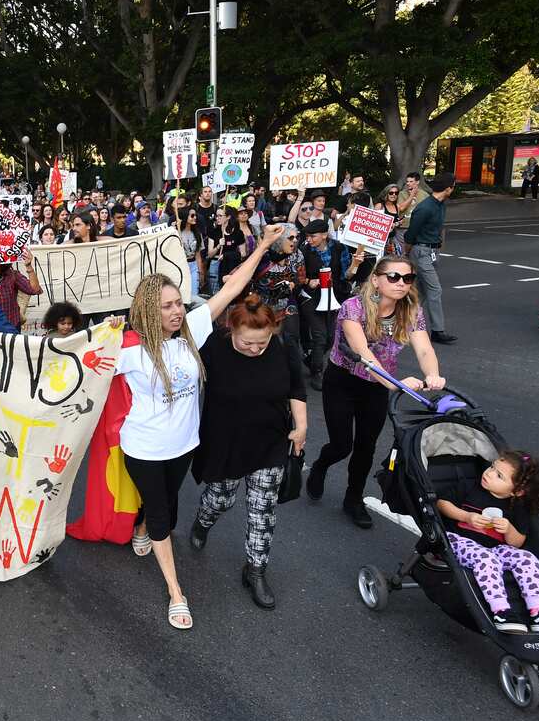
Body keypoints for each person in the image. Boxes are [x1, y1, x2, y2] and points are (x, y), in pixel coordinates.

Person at [117, 224, 283, 630]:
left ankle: (143, 524)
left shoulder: (192, 329)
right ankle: (176, 592)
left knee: (168, 508)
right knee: (162, 516)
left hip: (184, 446)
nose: (176, 311)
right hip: (143, 448)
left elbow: (231, 289)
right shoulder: (126, 348)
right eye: (166, 306)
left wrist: (261, 245)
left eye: (178, 302)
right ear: (147, 311)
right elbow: (60, 356)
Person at [306, 256, 445, 528]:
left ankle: (353, 498)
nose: (401, 283)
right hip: (343, 380)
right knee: (341, 444)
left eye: (408, 278)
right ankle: (321, 465)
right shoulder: (353, 307)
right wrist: (396, 384)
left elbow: (425, 348)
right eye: (393, 277)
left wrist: (433, 375)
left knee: (366, 446)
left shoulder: (411, 310)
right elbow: (365, 355)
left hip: (377, 387)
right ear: (376, 280)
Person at [188, 297, 308, 609]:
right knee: (220, 499)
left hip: (270, 441)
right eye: (247, 343)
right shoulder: (214, 346)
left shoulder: (282, 347)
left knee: (262, 510)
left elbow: (296, 388)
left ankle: (255, 571)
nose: (255, 349)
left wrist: (302, 426)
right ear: (231, 330)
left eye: (262, 342)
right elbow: (184, 376)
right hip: (225, 440)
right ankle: (203, 521)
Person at [436, 450, 539, 633]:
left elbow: (517, 542)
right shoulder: (470, 487)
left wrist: (509, 529)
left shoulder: (517, 507)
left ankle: (538, 610)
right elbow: (441, 503)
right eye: (492, 467)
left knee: (527, 558)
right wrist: (466, 516)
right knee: (486, 558)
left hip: (496, 548)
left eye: (499, 475)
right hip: (459, 541)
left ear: (517, 491)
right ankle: (501, 610)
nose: (489, 473)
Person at [299, 219, 370, 390]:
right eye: (307, 236)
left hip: (335, 297)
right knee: (320, 335)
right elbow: (299, 276)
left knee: (331, 337)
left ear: (324, 235)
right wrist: (309, 281)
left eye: (313, 236)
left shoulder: (339, 248)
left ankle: (311, 359)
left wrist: (356, 264)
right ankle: (317, 371)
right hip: (311, 297)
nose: (309, 239)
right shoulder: (304, 250)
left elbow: (346, 276)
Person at [403, 172, 456, 344]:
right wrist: (408, 253)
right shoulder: (425, 207)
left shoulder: (441, 205)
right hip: (421, 252)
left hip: (432, 252)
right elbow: (411, 233)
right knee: (435, 289)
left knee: (421, 292)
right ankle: (437, 330)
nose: (454, 189)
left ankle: (404, 322)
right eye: (453, 186)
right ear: (448, 188)